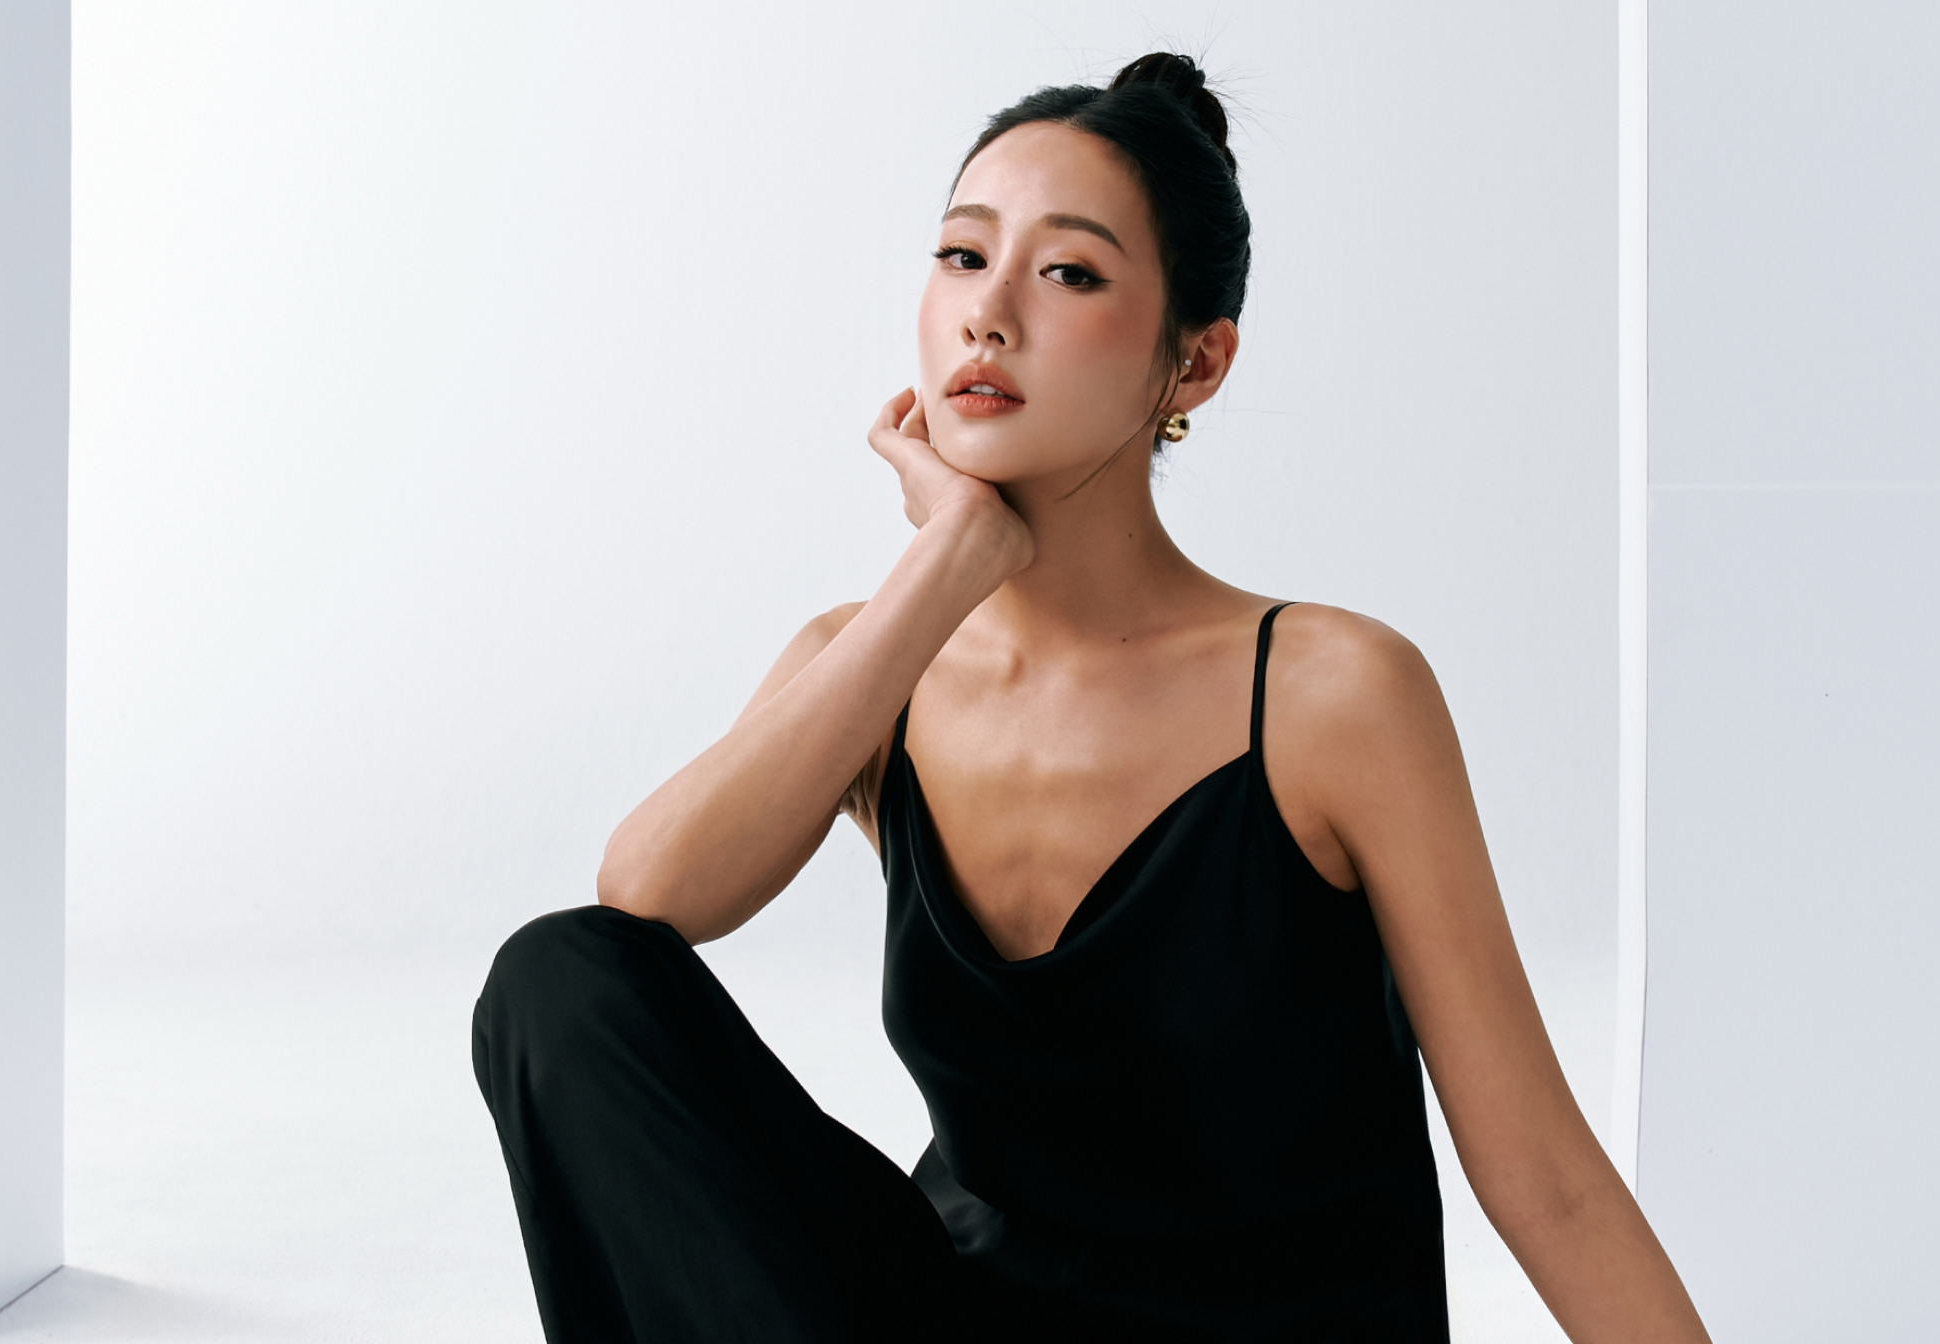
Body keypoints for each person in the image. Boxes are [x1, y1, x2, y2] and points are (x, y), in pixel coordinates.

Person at [471, 52, 1709, 1343]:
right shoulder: (875, 667)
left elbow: (1548, 1184)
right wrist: (946, 566)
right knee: (557, 983)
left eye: (1068, 272)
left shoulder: (1332, 697)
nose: (988, 313)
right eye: (963, 256)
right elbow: (642, 902)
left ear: (1196, 365)